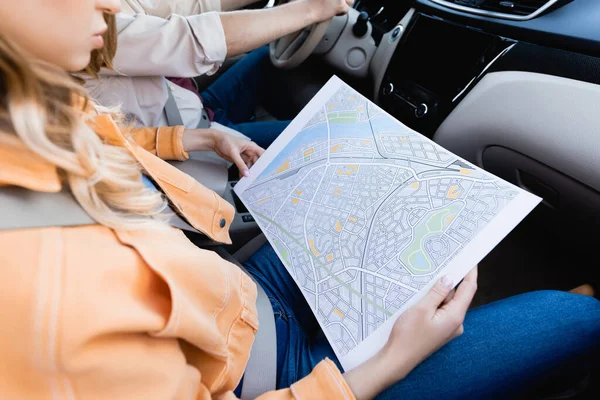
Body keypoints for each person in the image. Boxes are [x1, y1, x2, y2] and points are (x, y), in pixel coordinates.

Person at [0, 1, 599, 400]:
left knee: (384, 190)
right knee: (579, 320)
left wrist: (192, 137)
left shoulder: (33, 112)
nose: (101, 4)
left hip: (236, 290)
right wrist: (392, 361)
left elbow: (113, 138)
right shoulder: (38, 308)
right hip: (280, 373)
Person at [84, 0, 354, 150]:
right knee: (340, 136)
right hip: (198, 142)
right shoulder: (83, 33)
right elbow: (192, 40)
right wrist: (312, 9)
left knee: (266, 57)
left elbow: (179, 7)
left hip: (193, 106)